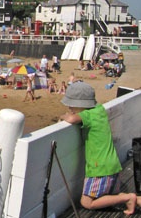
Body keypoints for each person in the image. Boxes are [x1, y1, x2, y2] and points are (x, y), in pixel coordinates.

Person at [60, 82, 140, 214]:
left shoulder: (87, 115)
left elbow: (71, 119)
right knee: (108, 197)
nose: (70, 107)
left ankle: (129, 198)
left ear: (82, 104)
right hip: (112, 164)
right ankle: (135, 199)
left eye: (71, 105)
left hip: (100, 168)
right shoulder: (100, 110)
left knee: (86, 202)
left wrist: (63, 116)